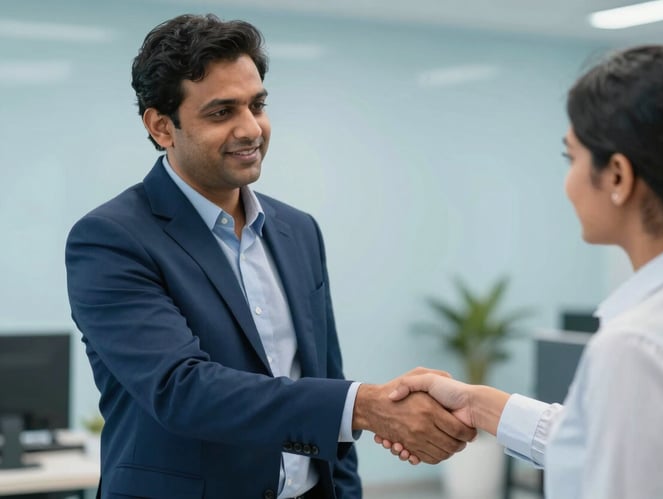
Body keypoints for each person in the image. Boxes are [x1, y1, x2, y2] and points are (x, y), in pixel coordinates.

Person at [65, 13, 475, 499]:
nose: (250, 129)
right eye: (222, 112)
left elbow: (323, 373)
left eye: (257, 105)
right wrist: (364, 406)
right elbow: (182, 390)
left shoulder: (298, 231)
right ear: (161, 126)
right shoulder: (110, 238)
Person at [380, 45, 663, 499]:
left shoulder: (641, 349)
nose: (568, 183)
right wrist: (475, 402)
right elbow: (615, 441)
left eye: (572, 158)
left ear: (618, 177)